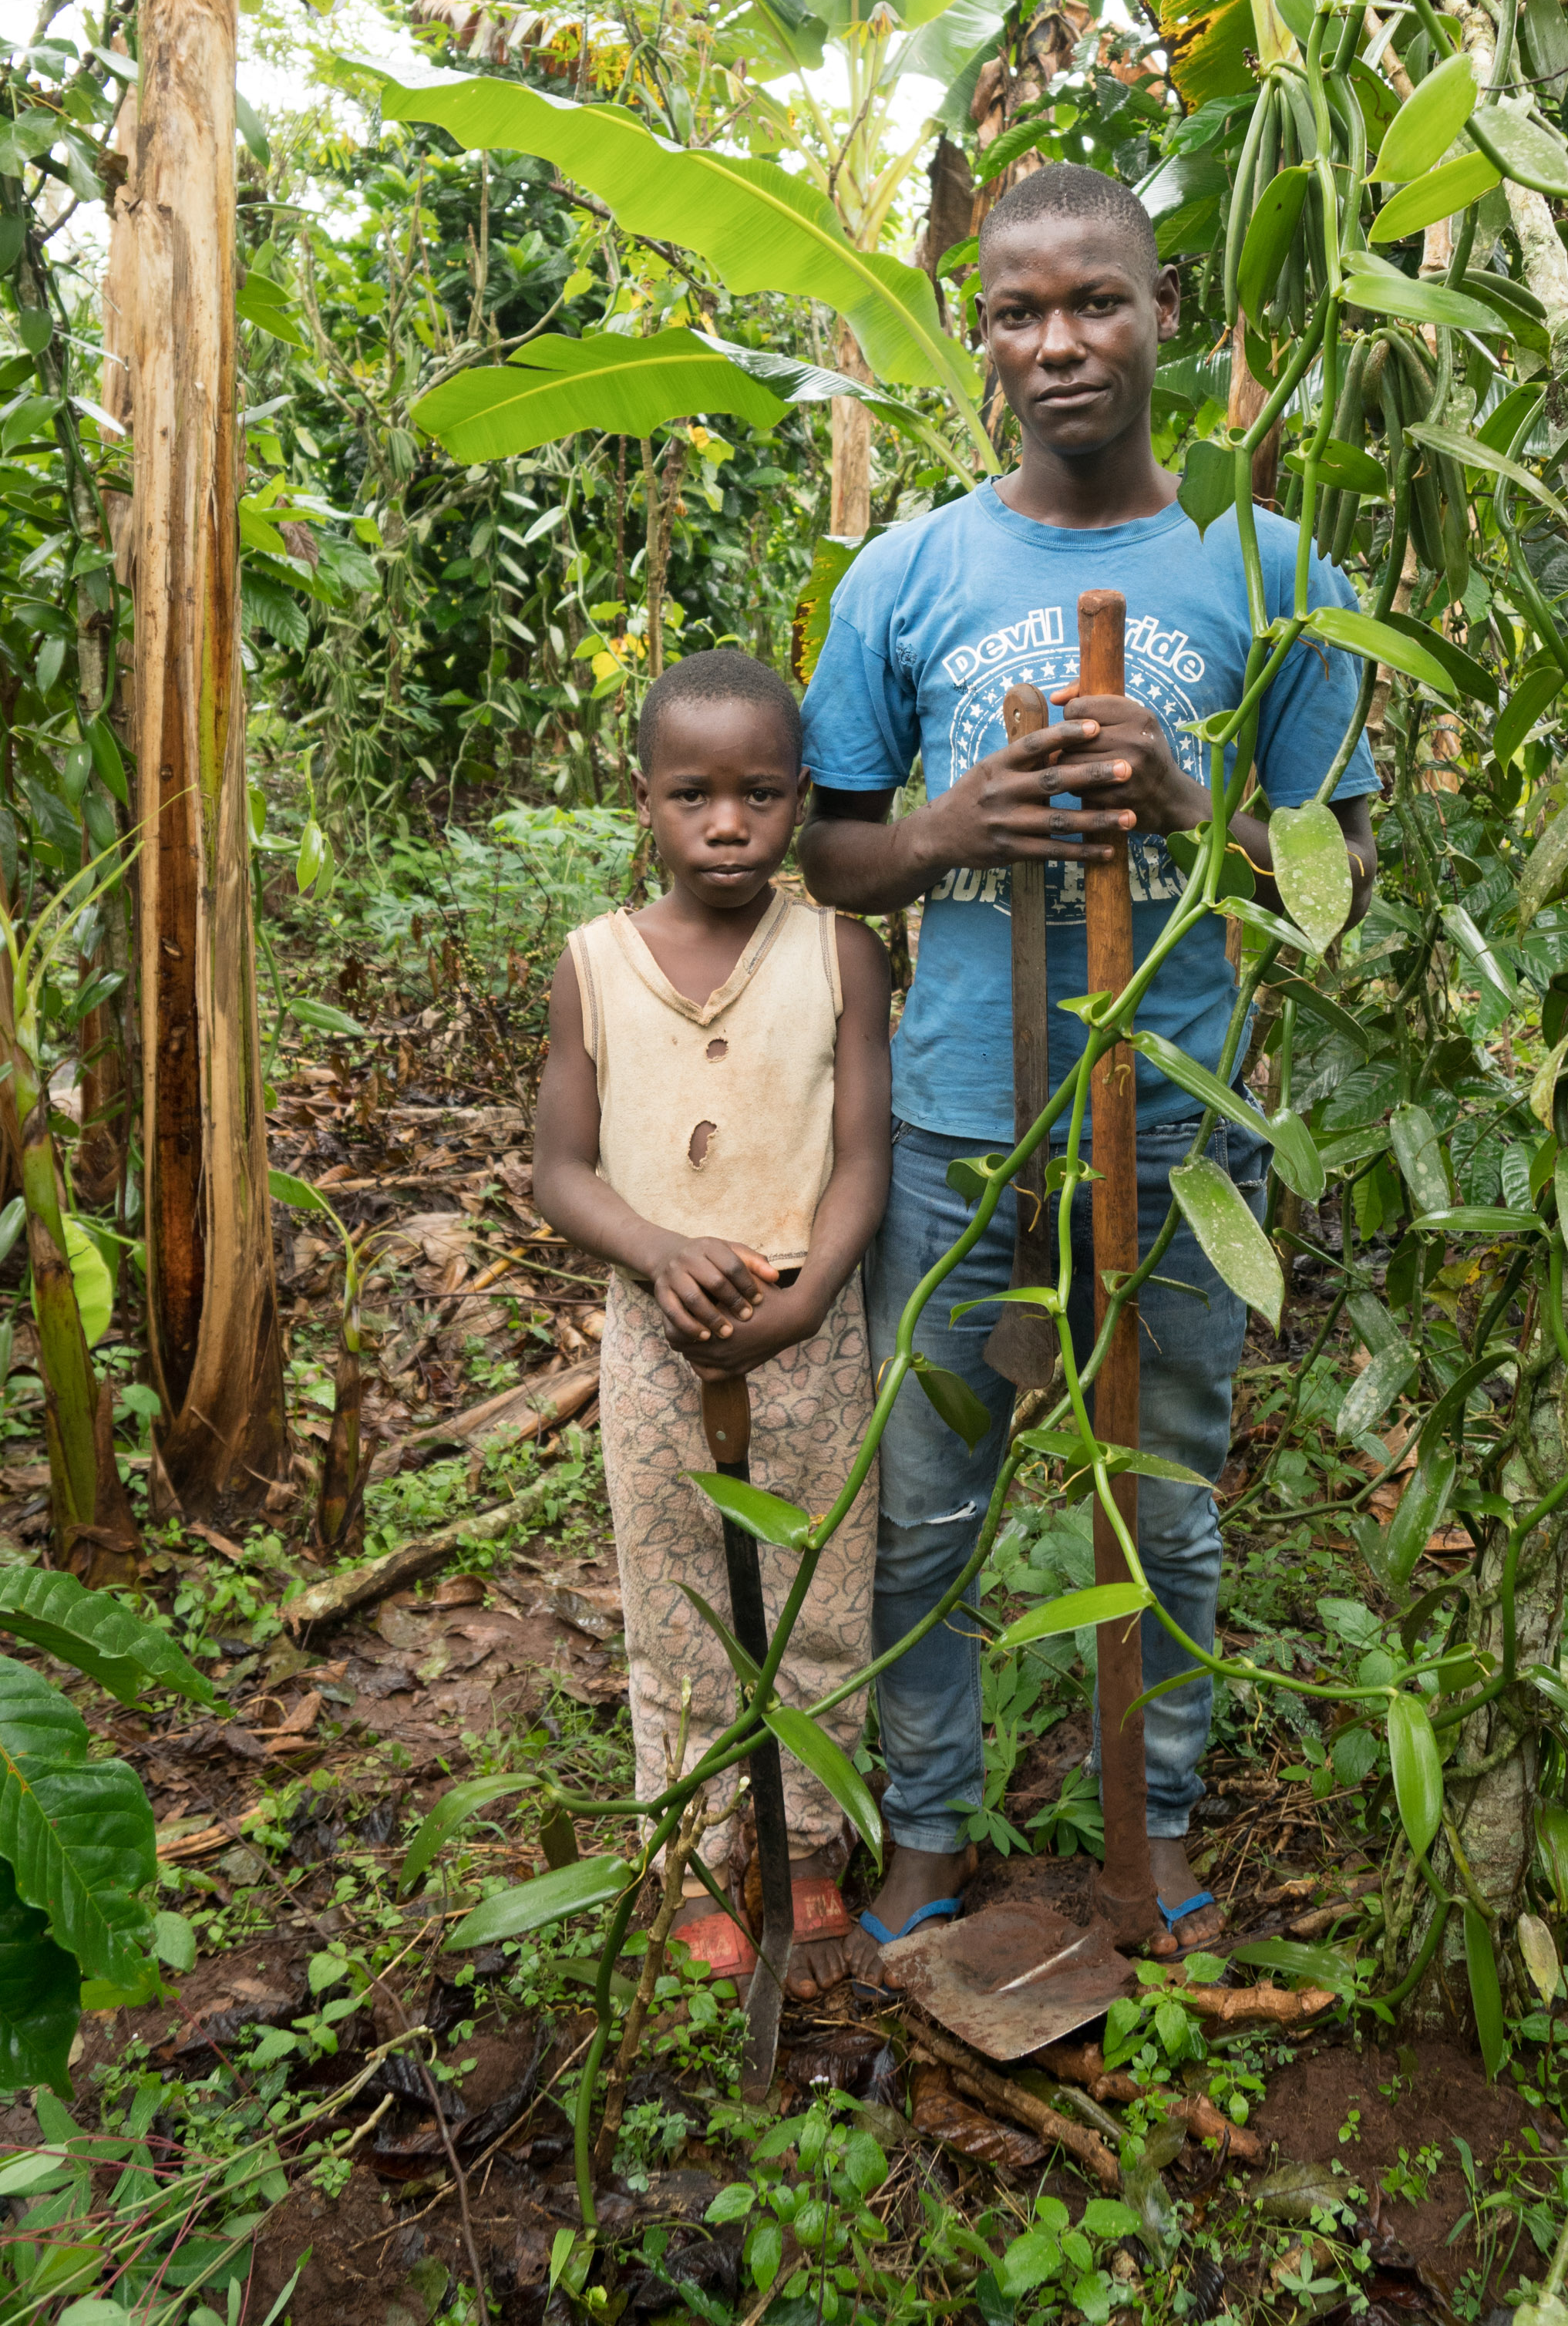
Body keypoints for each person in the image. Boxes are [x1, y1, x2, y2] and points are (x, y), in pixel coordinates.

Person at [798, 160, 1376, 1968]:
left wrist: (1191, 803)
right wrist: (954, 820)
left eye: (1095, 301)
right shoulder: (908, 571)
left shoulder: (1267, 572)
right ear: (978, 336)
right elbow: (825, 848)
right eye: (1017, 311)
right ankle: (932, 1828)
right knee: (932, 1499)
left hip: (1180, 1137)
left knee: (1169, 1486)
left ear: (1164, 313)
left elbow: (1339, 879)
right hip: (967, 1126)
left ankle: (1158, 1820)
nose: (1057, 343)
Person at [532, 645, 891, 1998]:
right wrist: (662, 1248)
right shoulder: (597, 965)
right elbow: (558, 1167)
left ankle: (800, 1840)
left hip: (810, 1325)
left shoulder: (839, 951)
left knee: (821, 1591)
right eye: (693, 797)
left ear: (802, 797)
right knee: (676, 1603)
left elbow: (865, 1154)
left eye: (758, 796)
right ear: (644, 801)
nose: (728, 827)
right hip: (656, 1330)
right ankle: (686, 1849)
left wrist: (805, 1304)